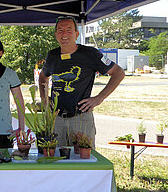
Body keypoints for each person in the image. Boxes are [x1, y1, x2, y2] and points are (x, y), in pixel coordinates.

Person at [39, 16, 125, 148]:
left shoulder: (90, 54)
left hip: (81, 117)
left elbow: (118, 73)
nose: (64, 34)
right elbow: (43, 77)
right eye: (60, 30)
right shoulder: (52, 56)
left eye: (69, 30)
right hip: (56, 119)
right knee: (55, 161)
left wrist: (99, 98)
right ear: (56, 34)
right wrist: (44, 97)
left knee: (84, 161)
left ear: (76, 34)